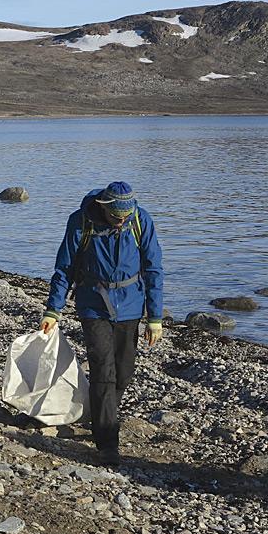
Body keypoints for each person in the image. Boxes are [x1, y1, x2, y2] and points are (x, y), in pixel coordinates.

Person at [39, 181, 163, 466]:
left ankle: (100, 412)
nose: (121, 221)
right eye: (116, 216)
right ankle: (107, 442)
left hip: (131, 303)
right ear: (104, 208)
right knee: (103, 370)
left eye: (126, 216)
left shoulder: (140, 220)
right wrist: (52, 310)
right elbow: (64, 268)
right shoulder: (81, 221)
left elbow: (154, 267)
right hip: (93, 304)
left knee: (124, 371)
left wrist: (155, 318)